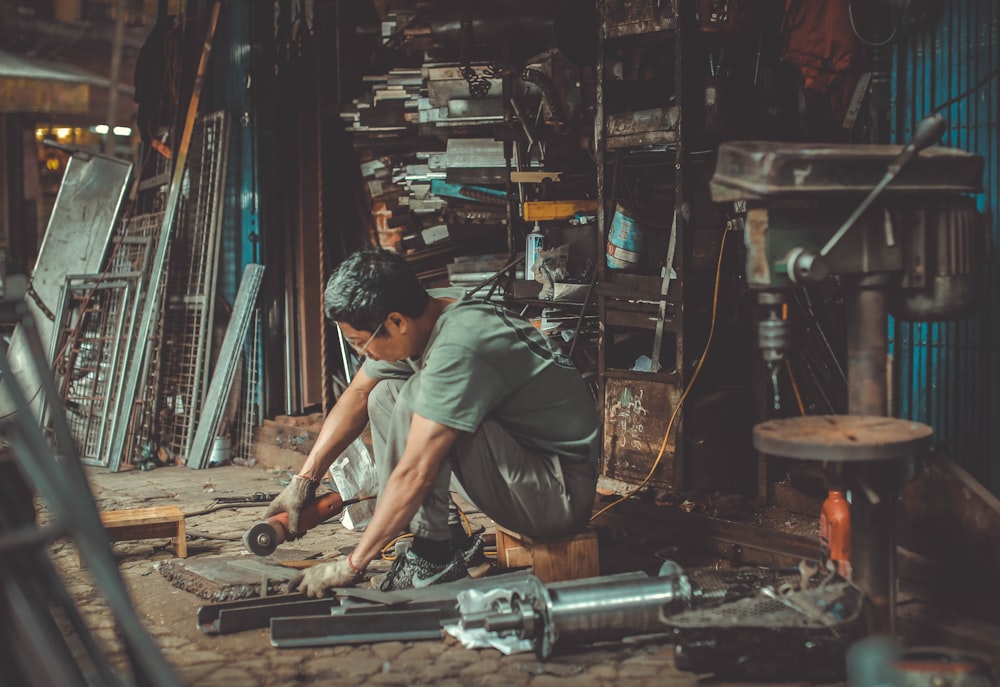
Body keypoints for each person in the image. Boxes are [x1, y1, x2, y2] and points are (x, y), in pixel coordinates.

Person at [266, 247, 599, 596]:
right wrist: (304, 482)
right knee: (386, 394)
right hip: (523, 470)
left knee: (416, 399)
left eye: (360, 343)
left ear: (396, 322)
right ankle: (446, 539)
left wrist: (351, 565)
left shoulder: (460, 346)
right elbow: (360, 393)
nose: (362, 354)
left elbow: (416, 471)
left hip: (556, 498)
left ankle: (432, 553)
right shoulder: (433, 315)